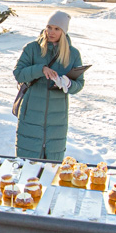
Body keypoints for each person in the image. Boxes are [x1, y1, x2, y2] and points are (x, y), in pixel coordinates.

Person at [13, 11, 84, 160]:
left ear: (63, 32)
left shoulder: (73, 54)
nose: (51, 32)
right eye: (49, 27)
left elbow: (79, 84)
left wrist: (68, 83)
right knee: (27, 164)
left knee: (52, 167)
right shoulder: (32, 48)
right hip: (31, 114)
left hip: (57, 119)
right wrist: (40, 69)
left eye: (57, 29)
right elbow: (19, 74)